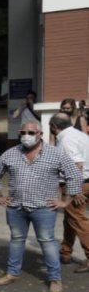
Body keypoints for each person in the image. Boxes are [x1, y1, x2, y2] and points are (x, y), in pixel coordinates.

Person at [0, 120, 82, 292]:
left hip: (44, 208)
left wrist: (65, 201)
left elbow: (74, 175)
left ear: (40, 134)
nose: (26, 136)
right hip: (16, 207)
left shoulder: (55, 154)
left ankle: (55, 278)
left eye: (31, 133)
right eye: (23, 133)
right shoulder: (11, 153)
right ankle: (12, 272)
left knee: (47, 242)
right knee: (16, 240)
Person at [52, 113, 89, 272]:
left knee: (78, 219)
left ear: (53, 126)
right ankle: (65, 252)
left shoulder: (66, 140)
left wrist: (74, 190)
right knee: (70, 218)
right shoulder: (79, 134)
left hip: (76, 184)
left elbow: (77, 165)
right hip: (82, 182)